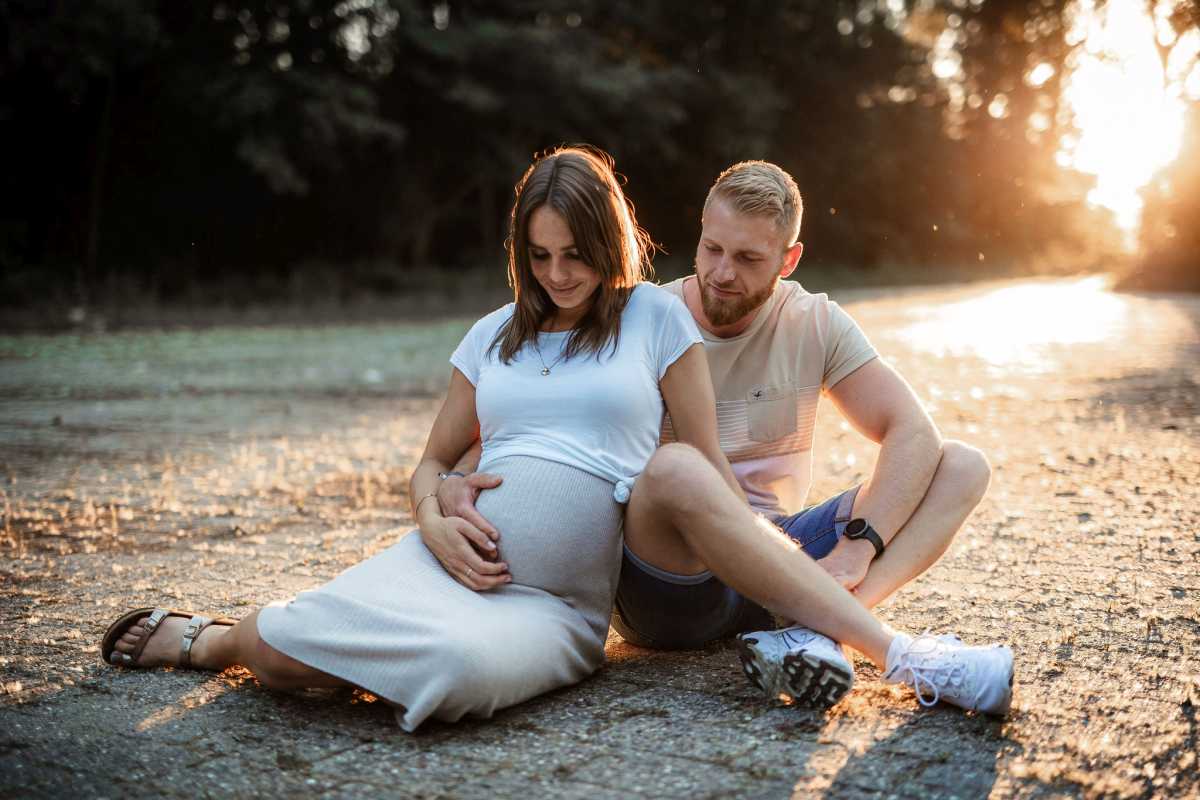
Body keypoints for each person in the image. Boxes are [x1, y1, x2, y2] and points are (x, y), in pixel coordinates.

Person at [100, 145, 738, 731]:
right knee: (275, 647)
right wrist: (433, 522)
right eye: (539, 256)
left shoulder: (654, 315)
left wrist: (787, 563)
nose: (557, 274)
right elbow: (431, 463)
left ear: (609, 241)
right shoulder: (491, 335)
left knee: (454, 675)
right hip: (439, 564)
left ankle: (350, 657)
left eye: (575, 254)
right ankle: (214, 641)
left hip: (555, 606)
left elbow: (707, 465)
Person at [437, 160, 1015, 715]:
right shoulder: (648, 316)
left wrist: (857, 548)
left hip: (778, 545)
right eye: (712, 248)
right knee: (675, 468)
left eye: (747, 258)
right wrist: (452, 484)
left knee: (963, 464)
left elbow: (911, 429)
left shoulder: (815, 322)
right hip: (671, 569)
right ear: (700, 234)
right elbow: (522, 421)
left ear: (789, 259)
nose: (721, 272)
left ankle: (813, 632)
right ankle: (871, 641)